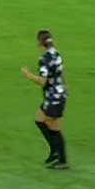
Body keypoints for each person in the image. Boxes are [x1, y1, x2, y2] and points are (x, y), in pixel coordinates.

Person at [21, 29, 68, 169]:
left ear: (39, 43)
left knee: (55, 129)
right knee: (39, 120)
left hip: (54, 98)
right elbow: (62, 71)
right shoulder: (56, 53)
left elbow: (42, 81)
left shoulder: (44, 59)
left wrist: (28, 75)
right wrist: (64, 85)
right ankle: (54, 151)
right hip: (55, 95)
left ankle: (62, 160)